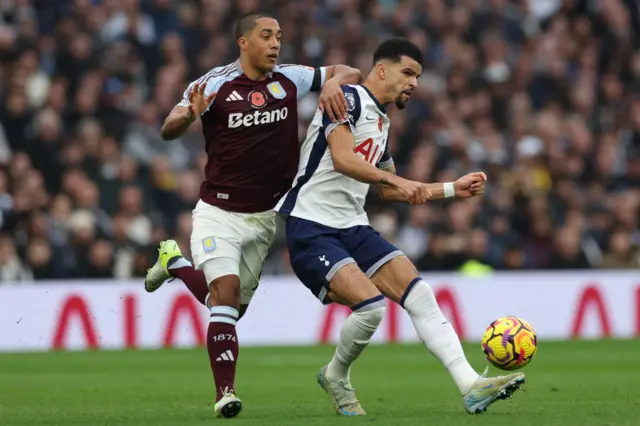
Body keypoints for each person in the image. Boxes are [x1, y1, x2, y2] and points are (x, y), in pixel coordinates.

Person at [274, 38, 525, 416]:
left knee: (420, 295)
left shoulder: (380, 120)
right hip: (312, 226)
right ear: (381, 70)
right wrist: (402, 183)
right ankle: (336, 374)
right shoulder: (347, 99)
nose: (414, 83)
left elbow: (389, 190)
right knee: (371, 308)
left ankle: (471, 385)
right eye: (407, 73)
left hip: (352, 227)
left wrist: (450, 190)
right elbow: (343, 160)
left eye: (418, 76)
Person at [143, 12, 361, 419]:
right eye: (266, 35)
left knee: (228, 307)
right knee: (224, 296)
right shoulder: (213, 82)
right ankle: (225, 393)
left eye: (278, 35)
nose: (276, 43)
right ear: (244, 42)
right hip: (218, 212)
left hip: (264, 217)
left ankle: (173, 263)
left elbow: (350, 70)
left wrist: (330, 80)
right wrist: (189, 115)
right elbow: (167, 127)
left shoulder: (291, 77)